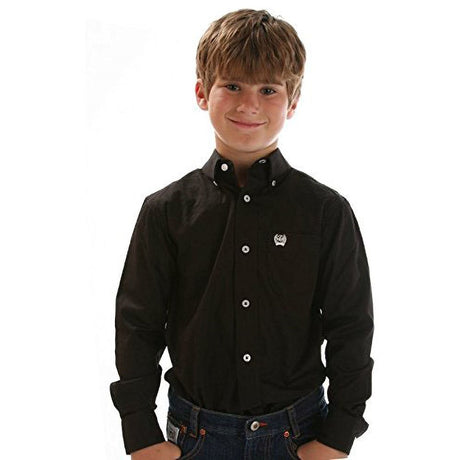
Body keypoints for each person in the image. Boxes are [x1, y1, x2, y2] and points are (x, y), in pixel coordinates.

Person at [109, 8, 374, 460]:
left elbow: (351, 325)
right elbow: (138, 323)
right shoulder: (165, 211)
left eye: (268, 90)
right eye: (232, 85)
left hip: (299, 434)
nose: (248, 104)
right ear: (201, 92)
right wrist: (140, 433)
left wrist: (338, 435)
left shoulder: (326, 211)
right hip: (193, 437)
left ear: (292, 101)